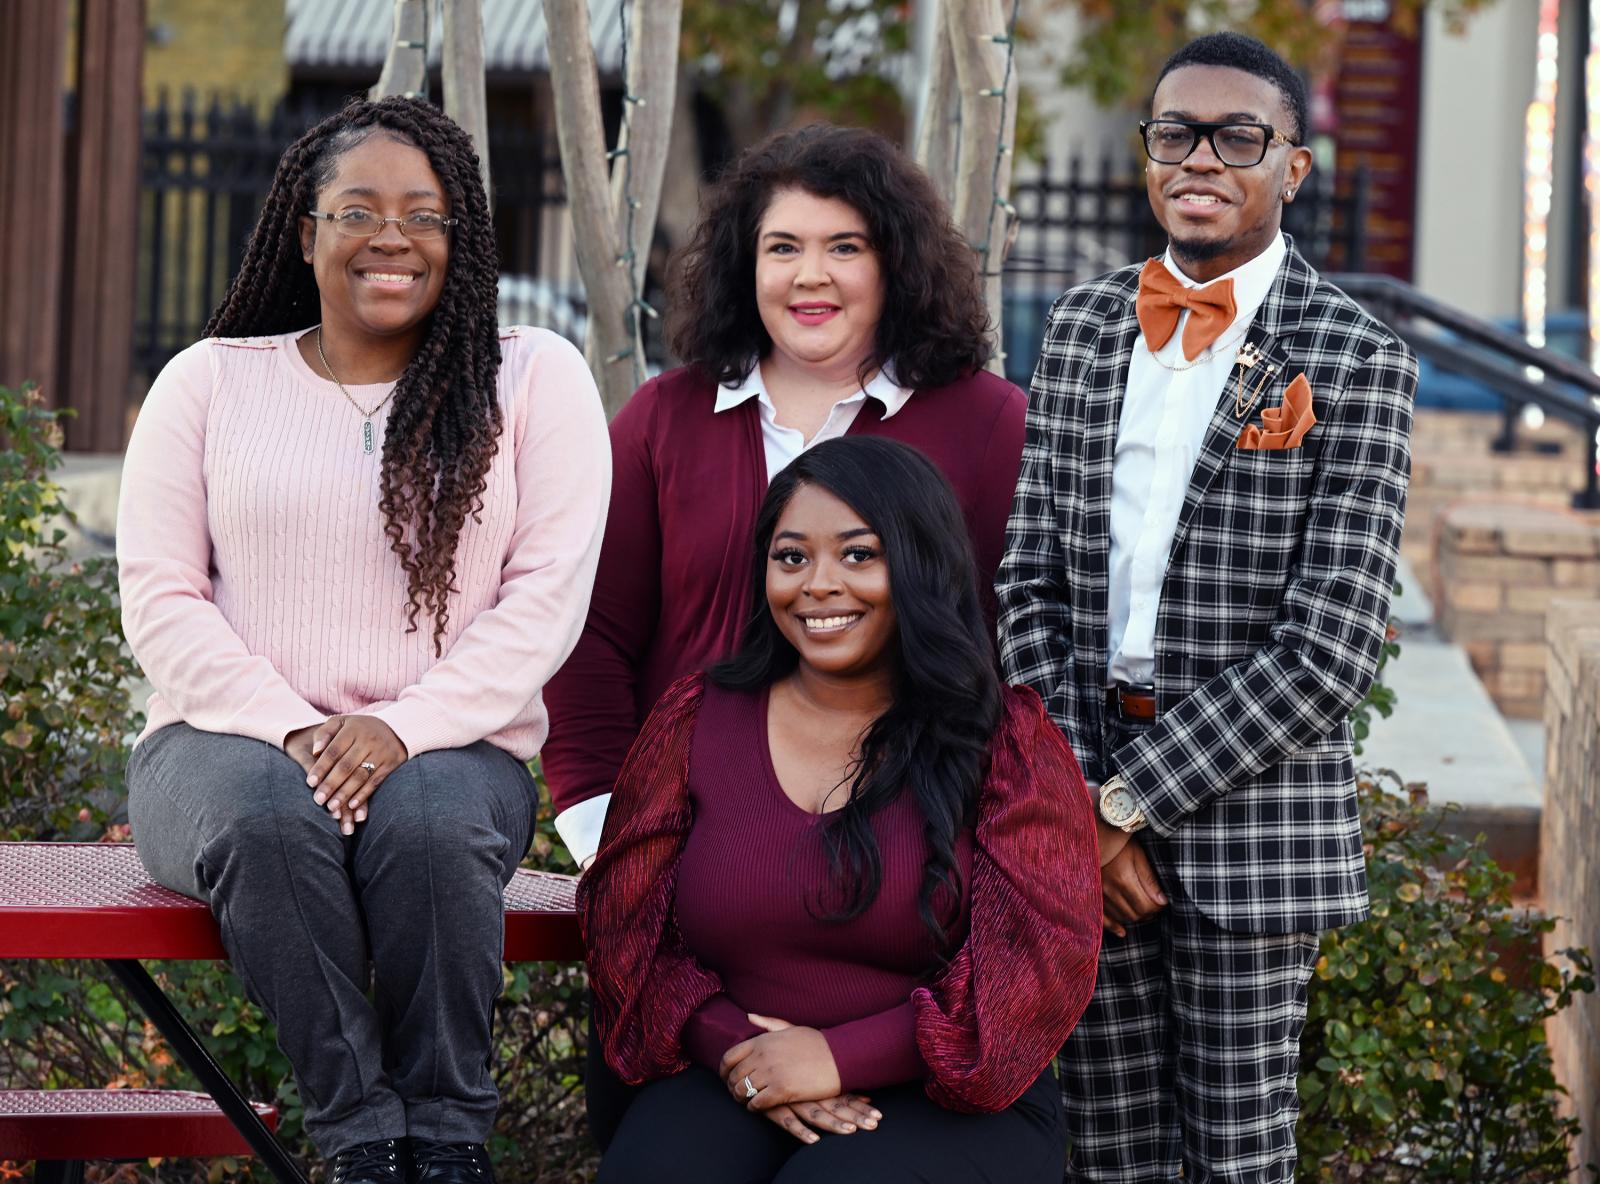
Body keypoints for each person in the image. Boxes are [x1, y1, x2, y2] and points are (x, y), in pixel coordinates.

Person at [116, 98, 610, 1184]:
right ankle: (362, 1142)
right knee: (264, 816)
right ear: (304, 230)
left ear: (462, 234)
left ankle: (445, 1139)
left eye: (425, 214)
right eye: (358, 210)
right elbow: (159, 598)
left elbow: (544, 598)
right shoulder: (208, 381)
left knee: (432, 827)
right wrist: (297, 729)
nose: (393, 236)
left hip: (454, 749)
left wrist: (400, 726)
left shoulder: (531, 377)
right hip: (219, 743)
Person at [996, 32, 1416, 1182]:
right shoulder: (1081, 330)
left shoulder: (1355, 356)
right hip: (1083, 780)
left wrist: (1128, 803)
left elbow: (1328, 645)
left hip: (1250, 818)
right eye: (1174, 131)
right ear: (1147, 154)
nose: (1200, 157)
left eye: (1240, 136)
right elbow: (1027, 582)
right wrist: (1080, 799)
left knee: (1236, 1158)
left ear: (1293, 166)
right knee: (1106, 1152)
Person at [579, 436, 1101, 1183]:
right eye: (792, 558)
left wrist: (832, 1057)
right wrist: (736, 1047)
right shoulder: (696, 720)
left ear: (920, 564)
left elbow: (1034, 972)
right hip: (731, 1065)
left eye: (859, 555)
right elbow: (629, 930)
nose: (818, 584)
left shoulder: (1003, 743)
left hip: (948, 1093)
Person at [540, 123, 1027, 874]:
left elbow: (1015, 646)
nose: (811, 275)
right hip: (684, 847)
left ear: (896, 260)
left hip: (909, 849)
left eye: (845, 246)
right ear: (747, 264)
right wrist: (608, 834)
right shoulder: (662, 419)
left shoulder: (988, 424)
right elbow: (587, 636)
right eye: (783, 247)